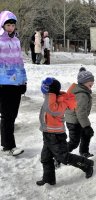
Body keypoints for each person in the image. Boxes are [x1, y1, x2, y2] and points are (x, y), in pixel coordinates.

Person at [36, 77, 94, 186]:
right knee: (45, 158)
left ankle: (86, 164)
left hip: (56, 135)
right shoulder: (52, 99)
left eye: (46, 94)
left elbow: (52, 110)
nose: (45, 96)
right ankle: (49, 179)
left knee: (63, 157)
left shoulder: (59, 101)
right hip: (47, 134)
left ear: (50, 92)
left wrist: (51, 94)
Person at [0, 11, 27, 156]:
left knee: (13, 114)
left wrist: (23, 80)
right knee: (7, 115)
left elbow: (20, 62)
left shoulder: (16, 40)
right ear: (2, 25)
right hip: (3, 83)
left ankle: (6, 144)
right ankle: (9, 146)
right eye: (8, 25)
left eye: (12, 25)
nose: (10, 28)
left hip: (16, 83)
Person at [65, 67, 94, 158]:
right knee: (74, 142)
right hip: (74, 122)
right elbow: (80, 113)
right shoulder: (82, 95)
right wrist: (86, 126)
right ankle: (59, 155)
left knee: (86, 135)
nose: (92, 84)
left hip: (78, 120)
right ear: (83, 82)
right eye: (90, 84)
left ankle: (84, 151)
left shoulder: (81, 90)